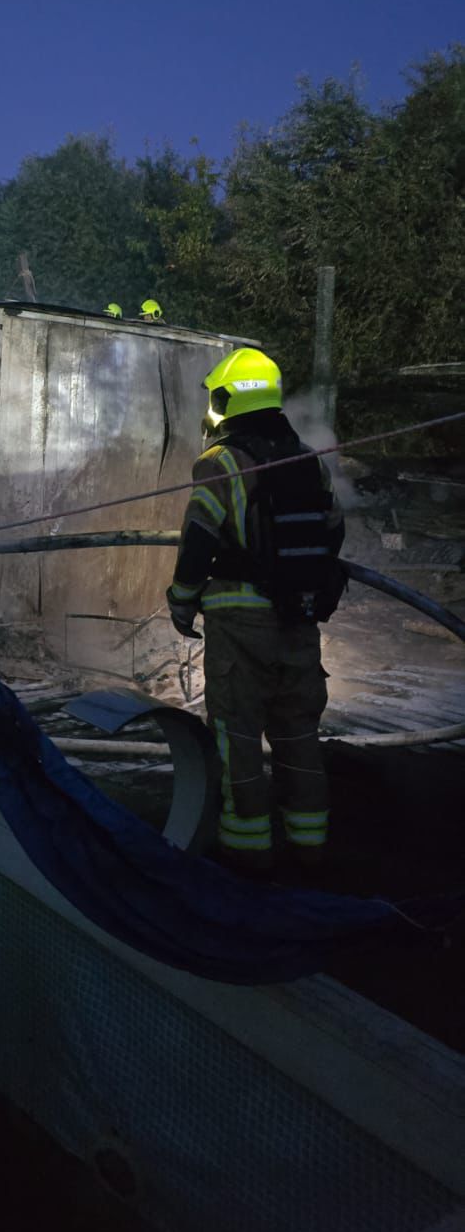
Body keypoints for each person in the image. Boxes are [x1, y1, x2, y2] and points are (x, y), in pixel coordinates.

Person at [166, 347, 345, 873]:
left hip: (240, 626)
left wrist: (180, 604)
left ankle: (247, 863)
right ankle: (309, 855)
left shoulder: (220, 463)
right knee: (297, 736)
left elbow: (198, 543)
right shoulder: (307, 462)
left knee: (238, 738)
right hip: (299, 619)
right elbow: (334, 531)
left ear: (227, 399)